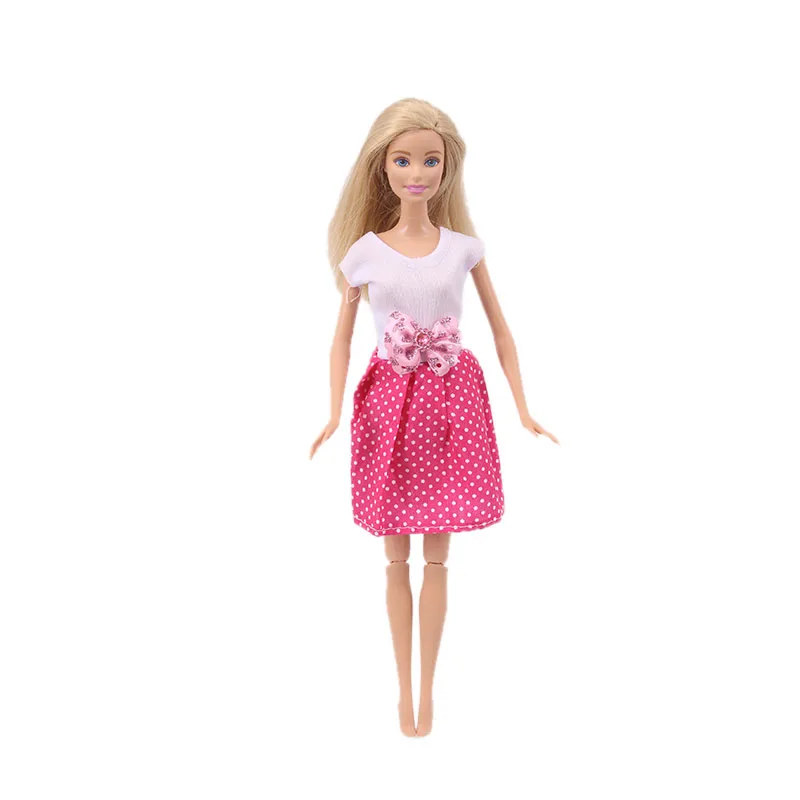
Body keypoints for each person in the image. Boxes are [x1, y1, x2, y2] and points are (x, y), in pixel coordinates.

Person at [309, 98, 559, 737]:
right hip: (389, 403)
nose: (416, 172)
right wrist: (333, 411)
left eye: (430, 160)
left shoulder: (463, 249)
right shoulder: (365, 253)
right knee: (396, 557)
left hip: (453, 401)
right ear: (381, 166)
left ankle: (429, 693)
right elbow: (340, 340)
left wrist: (524, 407)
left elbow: (501, 330)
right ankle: (403, 694)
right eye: (402, 160)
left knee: (438, 560)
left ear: (448, 168)